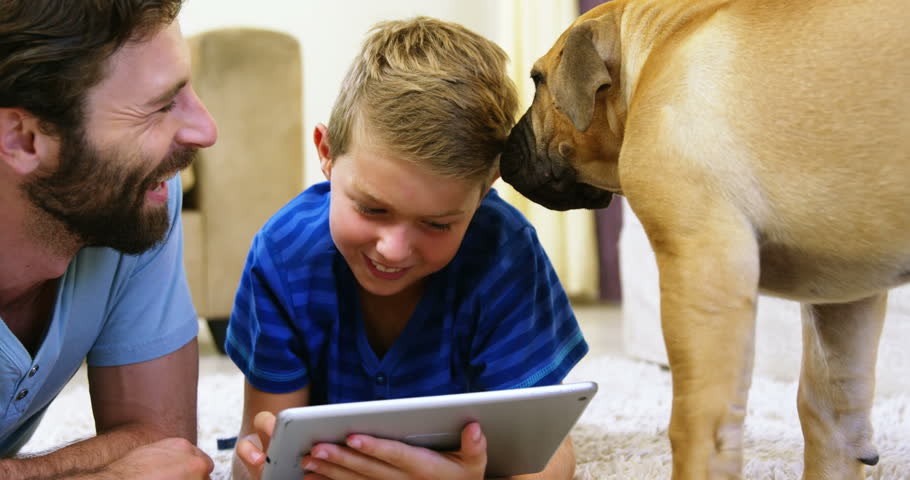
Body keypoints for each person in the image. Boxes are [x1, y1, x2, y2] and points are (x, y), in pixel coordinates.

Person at [228, 16, 589, 480]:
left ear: (483, 194)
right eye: (372, 210)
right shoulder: (282, 256)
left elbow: (545, 455)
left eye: (437, 224)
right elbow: (256, 447)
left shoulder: (504, 252)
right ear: (326, 153)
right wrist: (262, 467)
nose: (394, 250)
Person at [0, 1, 217, 478]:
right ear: (22, 138)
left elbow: (166, 450)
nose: (206, 130)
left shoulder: (136, 199)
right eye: (160, 105)